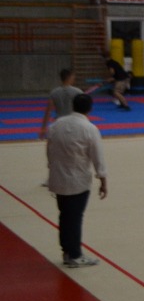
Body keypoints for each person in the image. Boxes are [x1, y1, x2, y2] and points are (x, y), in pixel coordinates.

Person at [46, 92, 106, 267]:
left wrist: (52, 167)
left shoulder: (56, 125)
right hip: (77, 180)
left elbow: (49, 150)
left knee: (65, 215)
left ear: (73, 106)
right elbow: (97, 157)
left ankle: (67, 251)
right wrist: (103, 179)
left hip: (58, 177)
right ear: (90, 109)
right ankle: (75, 254)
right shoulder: (90, 129)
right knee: (75, 217)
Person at [39, 67, 82, 139]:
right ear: (69, 77)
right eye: (73, 76)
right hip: (73, 123)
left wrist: (43, 128)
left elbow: (48, 112)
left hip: (59, 123)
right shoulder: (78, 92)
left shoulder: (54, 92)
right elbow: (82, 110)